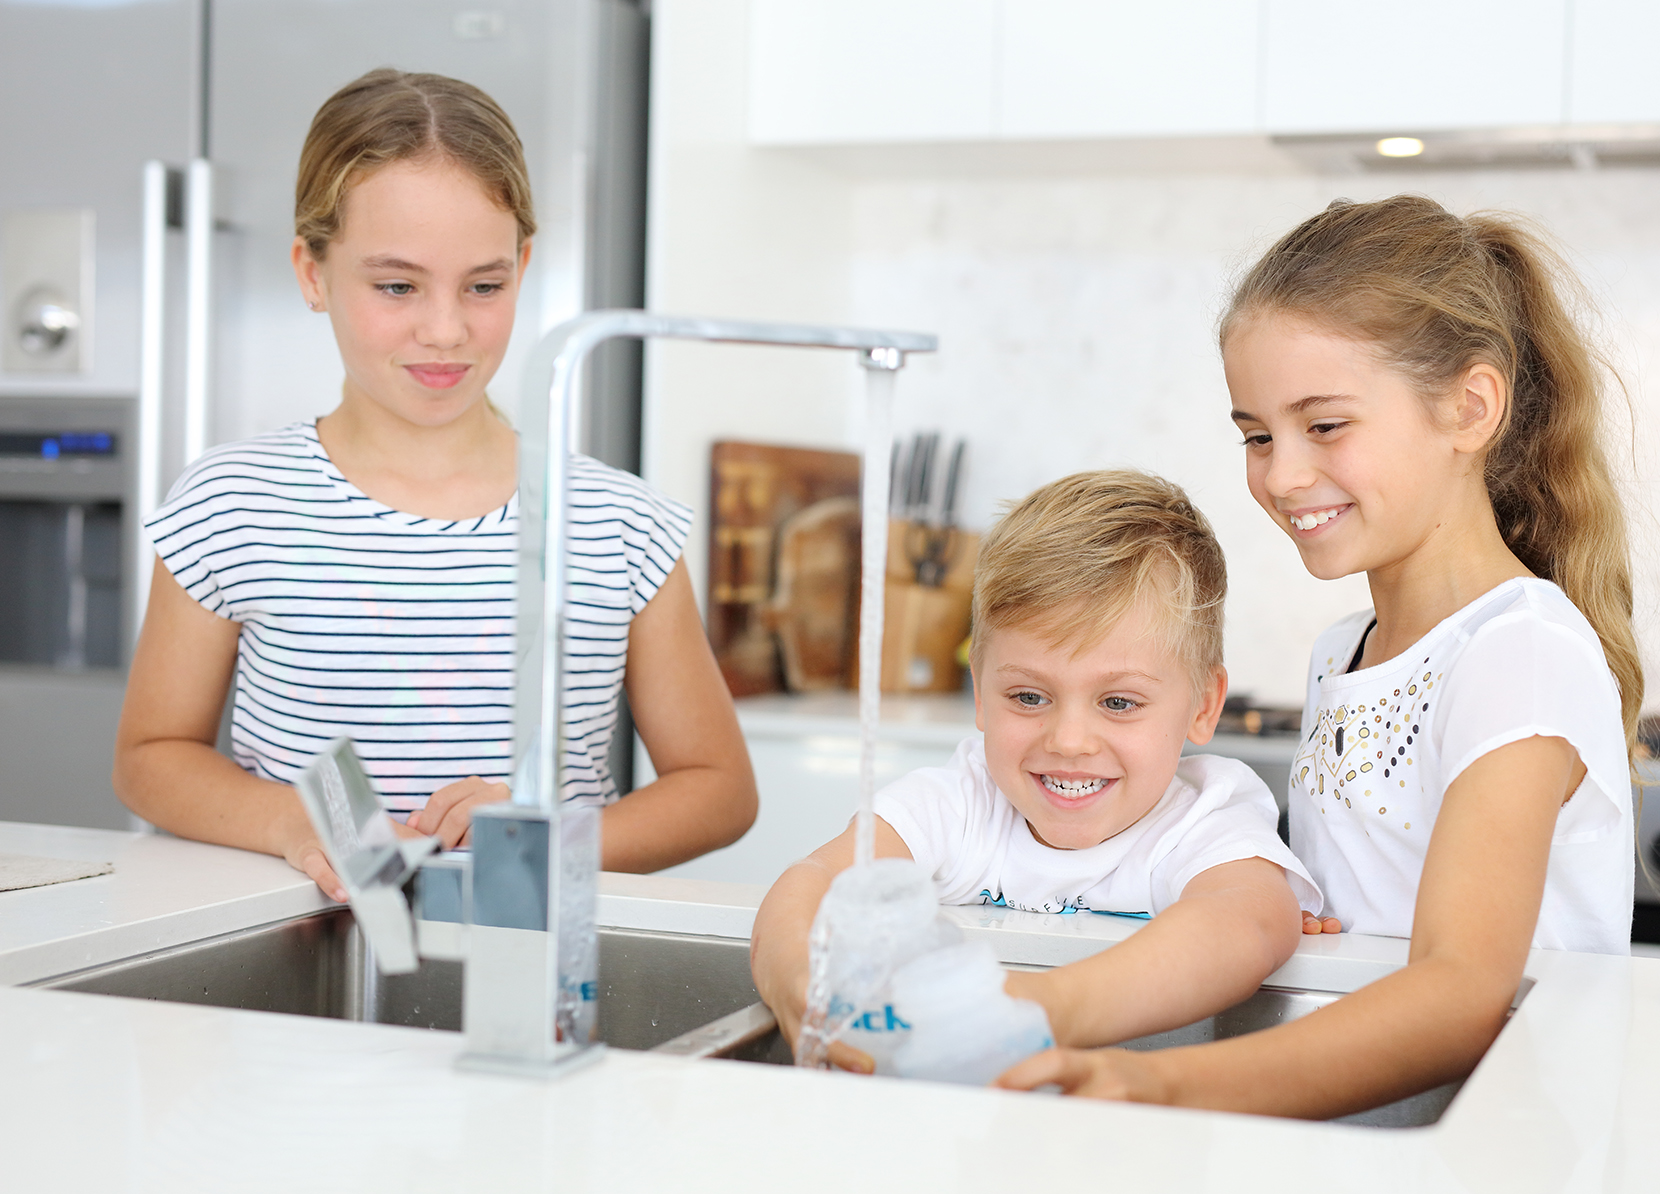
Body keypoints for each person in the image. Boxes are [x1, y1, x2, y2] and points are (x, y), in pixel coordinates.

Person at [999, 195, 1640, 1117]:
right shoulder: (1346, 651)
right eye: (1256, 435)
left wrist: (1156, 1080)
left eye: (1325, 426)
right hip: (1372, 1139)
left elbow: (1463, 996)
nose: (1282, 474)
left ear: (1470, 407)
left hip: (1497, 1157)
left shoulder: (1519, 655)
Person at [114, 69, 756, 899]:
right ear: (312, 272)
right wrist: (287, 821)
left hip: (539, 976)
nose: (446, 329)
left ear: (523, 268)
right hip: (295, 957)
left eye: (483, 286)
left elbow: (719, 789)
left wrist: (556, 836)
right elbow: (149, 757)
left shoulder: (616, 525)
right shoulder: (233, 504)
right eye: (397, 286)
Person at [750, 470, 1323, 1068]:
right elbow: (816, 880)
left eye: (1119, 702)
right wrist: (796, 978)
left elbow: (1248, 925)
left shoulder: (1205, 823)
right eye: (1028, 697)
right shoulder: (961, 804)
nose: (1069, 741)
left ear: (1203, 706)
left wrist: (1033, 1009)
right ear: (979, 691)